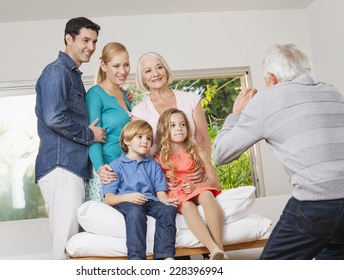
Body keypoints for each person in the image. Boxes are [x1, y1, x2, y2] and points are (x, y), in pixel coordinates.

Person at [212, 43, 344, 260]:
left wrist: (235, 114)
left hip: (316, 202)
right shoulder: (332, 92)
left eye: (265, 81)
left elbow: (221, 154)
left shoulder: (267, 99)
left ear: (272, 78)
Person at [34, 17, 106, 259]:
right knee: (64, 246)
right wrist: (90, 134)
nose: (91, 47)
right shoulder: (57, 71)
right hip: (61, 166)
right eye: (85, 40)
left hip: (72, 166)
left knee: (73, 245)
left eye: (94, 41)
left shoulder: (73, 75)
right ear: (69, 39)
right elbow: (54, 118)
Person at [100, 51, 208, 186]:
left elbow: (202, 138)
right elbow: (141, 151)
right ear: (142, 78)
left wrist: (203, 169)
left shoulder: (191, 99)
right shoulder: (139, 111)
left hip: (195, 175)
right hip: (164, 179)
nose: (155, 74)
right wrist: (160, 179)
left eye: (159, 67)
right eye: (148, 71)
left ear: (166, 70)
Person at [155, 108, 227, 260]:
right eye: (173, 125)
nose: (179, 128)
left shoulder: (197, 152)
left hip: (197, 189)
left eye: (182, 124)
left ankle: (218, 251)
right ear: (164, 129)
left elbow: (215, 180)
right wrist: (165, 185)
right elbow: (157, 184)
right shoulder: (159, 158)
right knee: (187, 205)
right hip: (177, 194)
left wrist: (195, 186)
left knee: (207, 195)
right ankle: (213, 248)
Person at [103, 120, 178, 260]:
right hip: (126, 201)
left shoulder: (154, 166)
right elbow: (109, 198)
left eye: (149, 138)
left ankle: (165, 256)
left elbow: (160, 194)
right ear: (127, 141)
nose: (145, 141)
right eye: (140, 137)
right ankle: (137, 259)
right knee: (135, 211)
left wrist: (168, 201)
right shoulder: (115, 166)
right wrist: (128, 197)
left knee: (168, 209)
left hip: (149, 201)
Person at [85, 42, 132, 202]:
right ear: (104, 66)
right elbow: (93, 135)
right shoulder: (95, 94)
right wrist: (100, 167)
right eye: (116, 66)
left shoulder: (125, 95)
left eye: (126, 65)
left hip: (127, 171)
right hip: (107, 171)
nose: (123, 71)